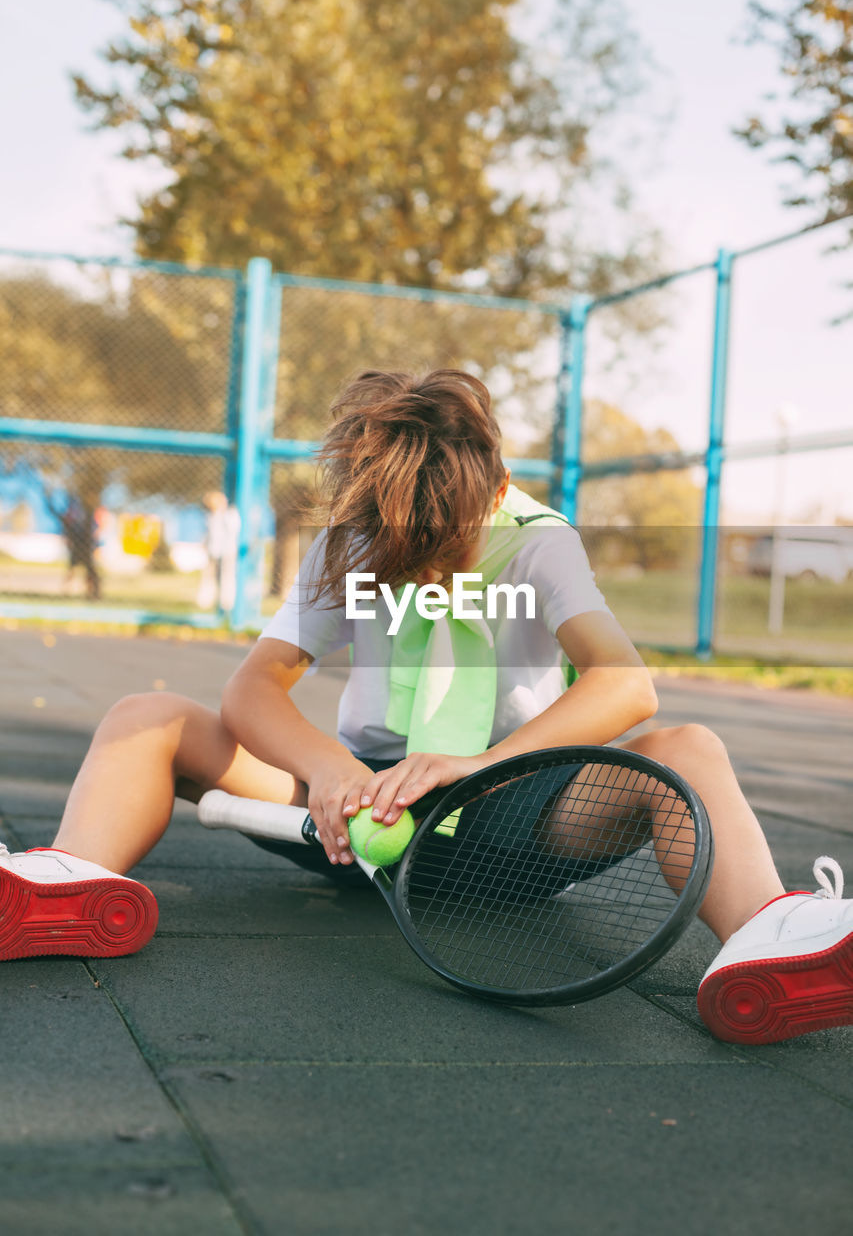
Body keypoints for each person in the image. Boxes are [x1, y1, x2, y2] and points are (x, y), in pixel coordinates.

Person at [1, 369, 851, 1046]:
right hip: (355, 817)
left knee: (689, 747)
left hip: (519, 809)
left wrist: (479, 768)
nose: (429, 576)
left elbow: (625, 684)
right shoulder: (356, 543)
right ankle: (65, 885)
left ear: (499, 487)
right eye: (411, 559)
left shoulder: (541, 542)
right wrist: (328, 770)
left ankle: (773, 940)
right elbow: (253, 685)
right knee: (143, 719)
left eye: (449, 550)